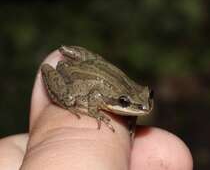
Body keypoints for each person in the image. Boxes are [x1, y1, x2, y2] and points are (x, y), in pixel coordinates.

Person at [0, 50, 193, 170]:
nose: (145, 106)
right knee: (69, 98)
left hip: (94, 71)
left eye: (148, 96)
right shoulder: (103, 98)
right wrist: (92, 110)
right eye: (125, 102)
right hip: (70, 79)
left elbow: (134, 102)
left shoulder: (133, 98)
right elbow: (95, 96)